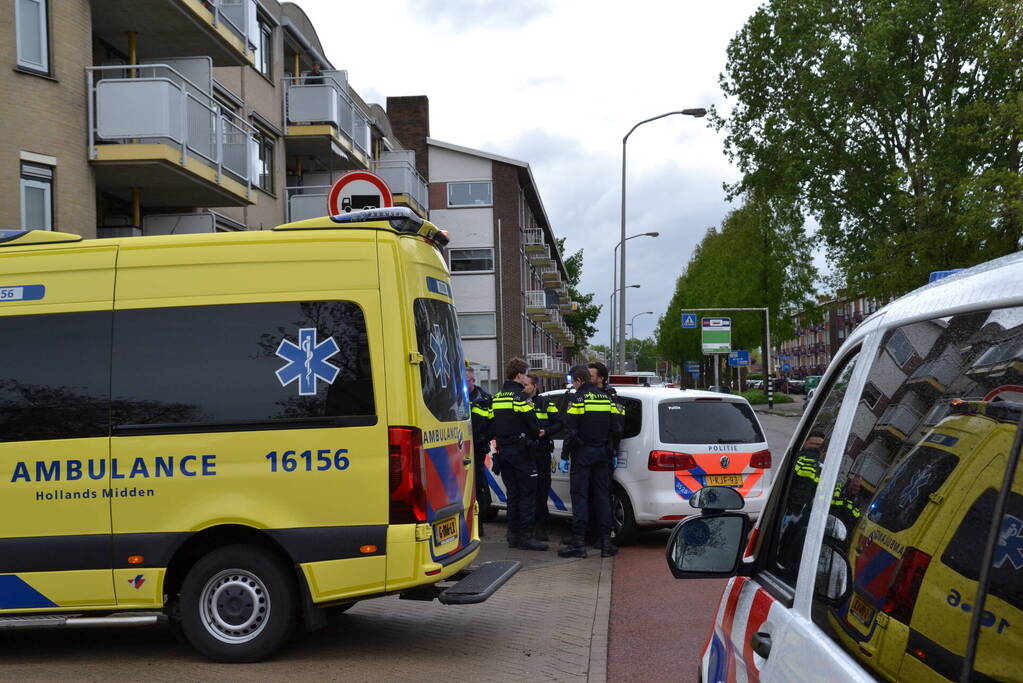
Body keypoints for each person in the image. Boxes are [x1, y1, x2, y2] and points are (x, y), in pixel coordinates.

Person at [558, 365, 623, 558]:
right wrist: (611, 449)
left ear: (578, 380)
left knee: (580, 497)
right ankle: (605, 543)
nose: (573, 386)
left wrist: (564, 456)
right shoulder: (606, 398)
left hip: (583, 454)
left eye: (573, 382)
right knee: (602, 497)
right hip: (603, 453)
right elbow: (616, 428)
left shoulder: (577, 399)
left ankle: (579, 543)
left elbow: (571, 431)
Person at [490, 358, 548, 551]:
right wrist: (535, 433)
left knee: (512, 495)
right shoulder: (520, 397)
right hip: (522, 453)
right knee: (527, 495)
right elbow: (532, 424)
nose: (525, 377)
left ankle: (512, 535)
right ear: (519, 375)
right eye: (525, 373)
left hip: (503, 452)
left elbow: (492, 424)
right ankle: (526, 536)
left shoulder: (497, 397)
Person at [586, 362, 622, 548]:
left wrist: (612, 447)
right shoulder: (585, 395)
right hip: (593, 452)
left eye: (591, 376)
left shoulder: (611, 397)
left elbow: (618, 425)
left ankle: (602, 535)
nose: (588, 379)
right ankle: (590, 535)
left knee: (602, 495)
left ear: (600, 378)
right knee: (588, 495)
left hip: (604, 452)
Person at [524, 372, 560, 542]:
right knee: (526, 491)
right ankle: (527, 527)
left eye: (526, 385)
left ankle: (541, 527)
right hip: (525, 452)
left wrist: (546, 432)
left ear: (535, 386)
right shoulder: (519, 402)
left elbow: (559, 423)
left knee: (542, 489)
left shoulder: (546, 403)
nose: (523, 388)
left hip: (542, 452)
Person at [466, 364, 493, 534]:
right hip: (458, 450)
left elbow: (493, 423)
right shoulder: (454, 397)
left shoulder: (485, 399)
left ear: (473, 380)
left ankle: (479, 522)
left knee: (478, 485)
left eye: (465, 380)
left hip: (477, 449)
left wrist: (482, 439)